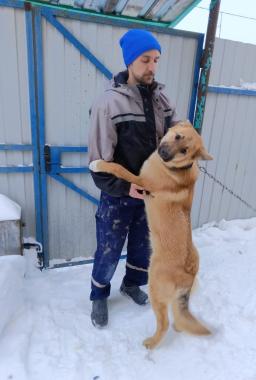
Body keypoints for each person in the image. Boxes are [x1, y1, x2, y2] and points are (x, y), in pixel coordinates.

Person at [88, 29, 179, 328]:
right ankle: (99, 294)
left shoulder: (162, 100)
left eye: (156, 60)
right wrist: (127, 187)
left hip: (153, 194)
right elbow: (99, 163)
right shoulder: (109, 104)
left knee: (144, 245)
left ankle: (131, 284)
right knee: (109, 248)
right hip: (118, 196)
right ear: (130, 61)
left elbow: (175, 136)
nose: (152, 66)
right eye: (145, 60)